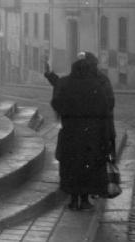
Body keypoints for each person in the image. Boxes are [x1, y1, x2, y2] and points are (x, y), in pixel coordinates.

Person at [50, 57, 112, 210]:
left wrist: (67, 113)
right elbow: (105, 108)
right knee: (87, 167)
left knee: (70, 167)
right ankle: (84, 200)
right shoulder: (96, 85)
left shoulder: (65, 83)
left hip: (70, 133)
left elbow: (55, 102)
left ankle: (72, 200)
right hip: (90, 135)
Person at [45, 52, 116, 158]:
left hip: (86, 136)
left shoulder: (99, 80)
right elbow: (61, 85)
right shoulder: (94, 80)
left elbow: (109, 104)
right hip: (93, 136)